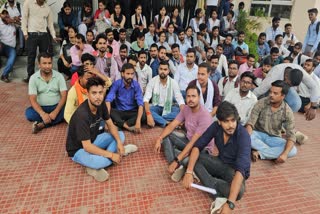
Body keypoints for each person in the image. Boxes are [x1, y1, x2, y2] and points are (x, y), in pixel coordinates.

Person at [182, 101, 250, 212]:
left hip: (233, 171)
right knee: (194, 157)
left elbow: (241, 169)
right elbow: (198, 146)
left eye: (233, 120)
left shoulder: (243, 136)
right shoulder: (215, 127)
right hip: (219, 163)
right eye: (226, 121)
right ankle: (196, 173)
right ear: (219, 121)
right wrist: (188, 172)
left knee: (239, 193)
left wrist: (230, 204)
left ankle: (211, 186)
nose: (231, 125)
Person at [66, 76, 137, 182]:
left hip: (94, 139)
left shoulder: (101, 104)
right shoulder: (82, 115)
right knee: (98, 162)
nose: (98, 97)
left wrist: (118, 142)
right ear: (87, 94)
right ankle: (112, 157)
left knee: (120, 135)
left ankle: (109, 156)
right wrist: (111, 155)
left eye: (100, 92)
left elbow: (110, 124)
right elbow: (87, 147)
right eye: (94, 93)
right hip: (78, 150)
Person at [154, 85, 212, 182]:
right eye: (188, 96)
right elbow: (172, 125)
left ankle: (179, 163)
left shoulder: (204, 116)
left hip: (201, 149)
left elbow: (194, 142)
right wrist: (159, 139)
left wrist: (177, 161)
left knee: (184, 156)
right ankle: (181, 164)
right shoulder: (186, 108)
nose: (190, 99)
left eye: (193, 96)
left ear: (199, 98)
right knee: (166, 136)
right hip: (188, 141)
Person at [247, 80, 297, 163]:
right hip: (257, 134)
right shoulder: (261, 102)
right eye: (270, 92)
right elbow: (250, 123)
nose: (271, 95)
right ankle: (271, 154)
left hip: (274, 138)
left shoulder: (287, 111)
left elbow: (291, 136)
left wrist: (285, 154)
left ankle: (260, 153)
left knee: (292, 150)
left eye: (275, 93)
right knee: (246, 135)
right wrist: (246, 137)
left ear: (283, 96)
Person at [253, 63, 320, 118]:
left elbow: (314, 87)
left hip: (285, 86)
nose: (290, 86)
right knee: (268, 102)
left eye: (292, 86)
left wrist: (313, 107)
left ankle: (281, 121)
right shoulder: (274, 75)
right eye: (289, 84)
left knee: (296, 104)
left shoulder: (300, 71)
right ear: (286, 76)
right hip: (272, 87)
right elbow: (258, 92)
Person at [25, 52, 67, 134]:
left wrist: (55, 112)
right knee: (29, 113)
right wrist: (42, 114)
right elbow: (32, 99)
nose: (47, 66)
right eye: (44, 63)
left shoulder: (59, 76)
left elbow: (64, 96)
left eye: (49, 63)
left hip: (57, 107)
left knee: (67, 110)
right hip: (41, 108)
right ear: (39, 64)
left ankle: (42, 125)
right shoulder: (33, 78)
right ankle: (51, 119)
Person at [21, 0, 58, 83]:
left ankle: (44, 76)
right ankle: (30, 77)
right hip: (32, 34)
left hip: (44, 35)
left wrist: (54, 35)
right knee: (31, 56)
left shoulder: (47, 7)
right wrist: (25, 33)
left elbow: (50, 23)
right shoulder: (28, 3)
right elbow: (24, 18)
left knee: (45, 57)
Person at [105, 63, 145, 133]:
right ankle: (128, 127)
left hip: (132, 111)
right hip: (120, 112)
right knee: (109, 111)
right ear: (122, 74)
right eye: (128, 74)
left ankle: (120, 124)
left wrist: (138, 122)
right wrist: (106, 121)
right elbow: (108, 100)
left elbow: (140, 104)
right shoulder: (117, 83)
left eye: (132, 74)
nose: (130, 76)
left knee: (143, 115)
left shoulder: (136, 85)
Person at [144, 61, 185, 127]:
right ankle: (167, 122)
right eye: (161, 69)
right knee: (146, 110)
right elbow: (146, 99)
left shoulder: (173, 82)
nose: (163, 71)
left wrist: (184, 114)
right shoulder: (152, 81)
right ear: (158, 69)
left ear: (168, 71)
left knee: (179, 111)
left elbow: (180, 99)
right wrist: (148, 114)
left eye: (165, 69)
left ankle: (158, 119)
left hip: (169, 107)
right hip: (156, 107)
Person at [0, 9, 16, 83]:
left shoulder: (13, 23)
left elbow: (24, 24)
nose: (5, 15)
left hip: (10, 48)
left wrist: (14, 21)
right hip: (2, 45)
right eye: (3, 14)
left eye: (7, 13)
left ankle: (4, 75)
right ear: (0, 15)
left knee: (13, 55)